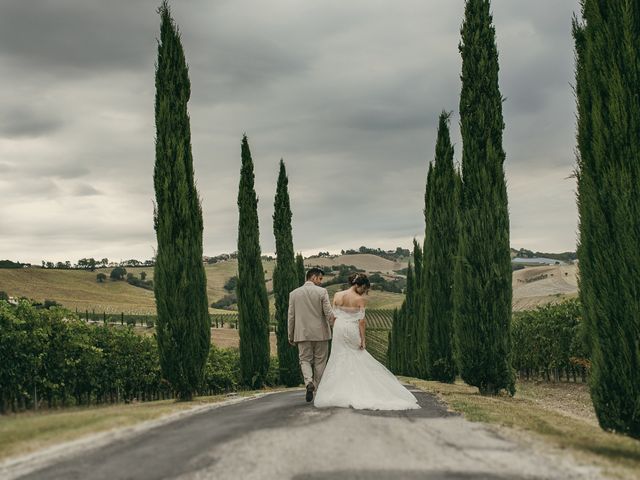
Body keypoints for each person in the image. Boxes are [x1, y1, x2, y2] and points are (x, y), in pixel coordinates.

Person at [314, 273, 420, 410]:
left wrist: (336, 327)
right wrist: (363, 339)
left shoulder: (337, 295)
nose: (365, 292)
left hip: (339, 329)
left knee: (338, 357)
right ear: (360, 285)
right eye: (365, 289)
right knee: (358, 356)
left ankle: (339, 392)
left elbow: (333, 316)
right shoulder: (360, 300)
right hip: (351, 328)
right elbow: (362, 322)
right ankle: (359, 389)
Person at [288, 267, 335, 402]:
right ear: (313, 277)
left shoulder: (294, 294)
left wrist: (290, 335)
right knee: (320, 362)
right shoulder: (322, 292)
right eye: (320, 278)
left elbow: (291, 317)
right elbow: (329, 313)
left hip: (302, 334)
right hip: (321, 334)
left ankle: (309, 382)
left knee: (304, 360)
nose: (320, 282)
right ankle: (317, 391)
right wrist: (336, 328)